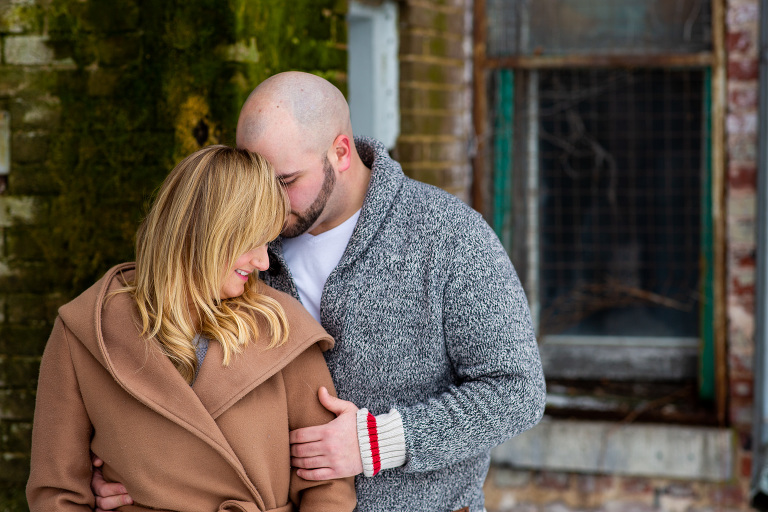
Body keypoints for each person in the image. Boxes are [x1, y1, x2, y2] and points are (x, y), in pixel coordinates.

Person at [93, 72, 546, 512]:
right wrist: (132, 468)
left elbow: (518, 390)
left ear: (341, 152)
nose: (267, 203)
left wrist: (381, 442)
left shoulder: (448, 236)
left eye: (285, 182)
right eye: (256, 181)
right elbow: (186, 364)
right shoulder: (243, 247)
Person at [26, 145, 356, 511]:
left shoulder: (283, 328)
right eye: (254, 240)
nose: (264, 261)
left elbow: (327, 487)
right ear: (208, 231)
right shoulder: (85, 331)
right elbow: (56, 494)